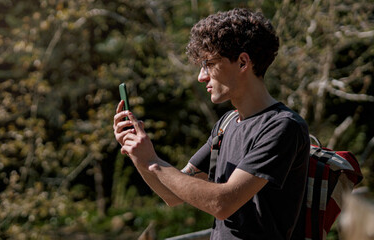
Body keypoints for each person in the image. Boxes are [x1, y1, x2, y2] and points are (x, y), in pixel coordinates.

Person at [112, 8, 309, 240]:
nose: (201, 76)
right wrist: (138, 154)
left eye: (208, 64)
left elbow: (222, 203)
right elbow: (172, 194)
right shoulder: (226, 123)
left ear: (243, 62)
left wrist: (154, 162)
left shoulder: (282, 127)